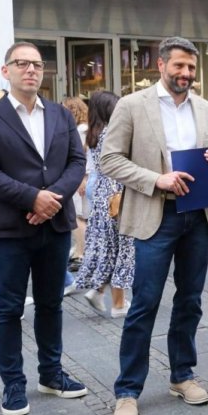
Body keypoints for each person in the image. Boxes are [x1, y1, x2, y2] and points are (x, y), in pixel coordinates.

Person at [100, 37, 208, 415]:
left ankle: (182, 375)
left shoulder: (205, 109)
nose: (186, 74)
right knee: (145, 303)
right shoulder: (132, 105)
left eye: (191, 68)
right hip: (156, 215)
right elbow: (109, 159)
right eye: (179, 66)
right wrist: (157, 179)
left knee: (190, 301)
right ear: (161, 65)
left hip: (197, 215)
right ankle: (127, 390)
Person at [0, 41, 87, 415]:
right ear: (6, 71)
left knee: (51, 304)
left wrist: (50, 200)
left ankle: (51, 374)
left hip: (56, 225)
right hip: (10, 230)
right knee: (8, 307)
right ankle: (13, 384)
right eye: (21, 63)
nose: (31, 69)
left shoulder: (60, 114)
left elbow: (76, 161)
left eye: (36, 64)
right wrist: (33, 198)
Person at [72, 91, 133, 318]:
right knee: (121, 247)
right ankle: (118, 303)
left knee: (107, 246)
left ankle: (98, 291)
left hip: (100, 191)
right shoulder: (111, 132)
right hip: (114, 191)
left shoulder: (94, 133)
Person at [61, 97, 89, 273]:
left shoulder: (80, 130)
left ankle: (81, 253)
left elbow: (81, 156)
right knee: (81, 216)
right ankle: (81, 250)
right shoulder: (86, 128)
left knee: (78, 217)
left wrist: (82, 178)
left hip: (81, 178)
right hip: (84, 177)